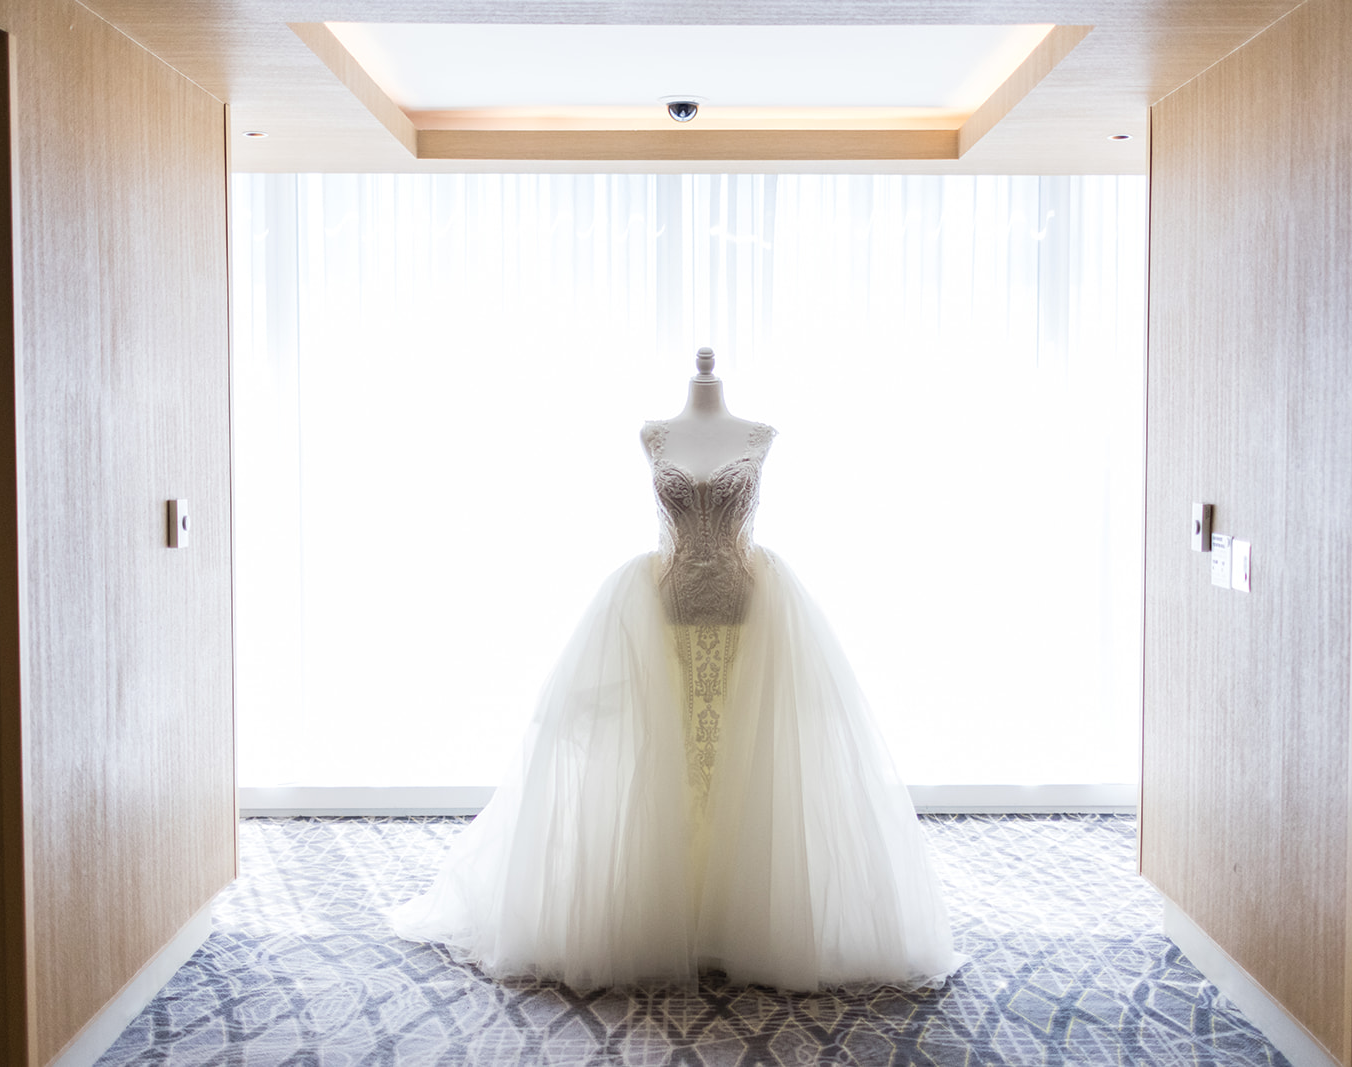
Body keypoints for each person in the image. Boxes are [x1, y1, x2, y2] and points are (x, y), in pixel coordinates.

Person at [391, 347, 958, 992]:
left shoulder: (759, 435)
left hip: (753, 617)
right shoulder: (653, 435)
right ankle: (670, 913)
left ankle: (735, 916)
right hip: (662, 614)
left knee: (744, 769)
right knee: (669, 766)